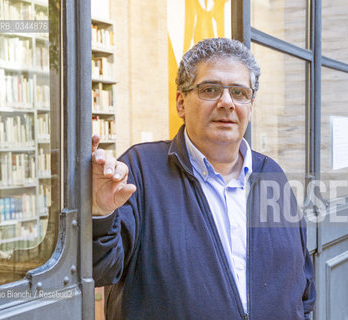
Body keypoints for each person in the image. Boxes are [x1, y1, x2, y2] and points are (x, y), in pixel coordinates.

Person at [92, 38, 316, 320]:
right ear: (181, 102)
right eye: (210, 89)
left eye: (239, 92)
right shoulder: (141, 170)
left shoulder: (272, 175)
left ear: (250, 104)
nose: (226, 103)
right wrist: (100, 214)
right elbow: (100, 269)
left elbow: (302, 279)